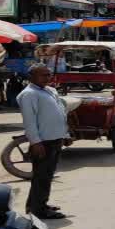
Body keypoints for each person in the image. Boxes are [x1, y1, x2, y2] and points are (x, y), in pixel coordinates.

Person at [16, 64, 70, 220]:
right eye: (43, 75)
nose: (48, 77)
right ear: (31, 77)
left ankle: (37, 204)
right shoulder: (29, 94)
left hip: (55, 139)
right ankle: (39, 210)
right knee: (42, 176)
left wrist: (65, 134)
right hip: (43, 142)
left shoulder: (49, 90)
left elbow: (61, 112)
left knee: (46, 175)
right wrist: (35, 142)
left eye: (49, 74)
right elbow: (29, 121)